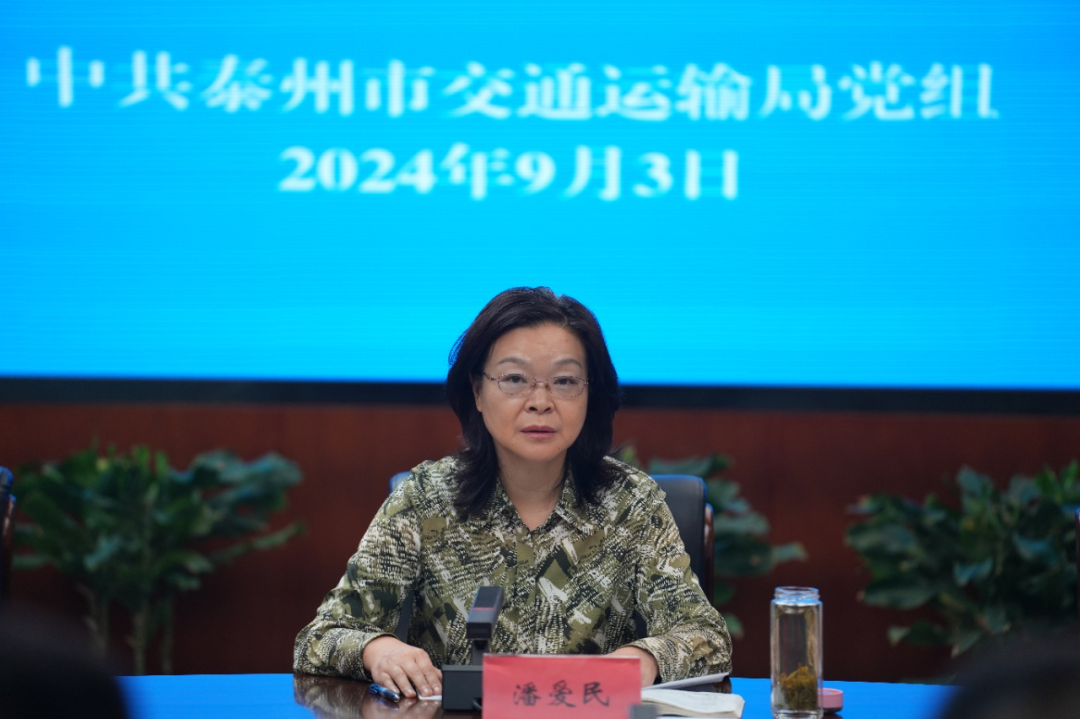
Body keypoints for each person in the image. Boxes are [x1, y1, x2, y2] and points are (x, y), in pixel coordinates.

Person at [294, 287, 732, 698]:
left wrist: (645, 658)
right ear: (477, 392)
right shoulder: (426, 499)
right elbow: (321, 637)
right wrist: (378, 649)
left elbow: (707, 637)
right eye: (515, 379)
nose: (540, 401)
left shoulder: (630, 503)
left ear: (590, 394)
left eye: (564, 381)